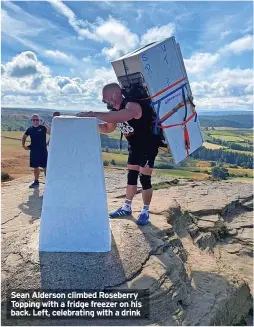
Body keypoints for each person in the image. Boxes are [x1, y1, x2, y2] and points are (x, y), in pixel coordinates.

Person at [77, 83, 161, 226]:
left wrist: (95, 114)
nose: (105, 103)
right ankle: (126, 207)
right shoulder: (115, 111)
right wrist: (87, 124)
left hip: (148, 146)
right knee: (131, 177)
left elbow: (123, 116)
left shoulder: (132, 106)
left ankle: (145, 211)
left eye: (105, 100)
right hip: (134, 147)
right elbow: (107, 128)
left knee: (145, 179)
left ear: (115, 95)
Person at [22, 114, 51, 189]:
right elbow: (24, 136)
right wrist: (23, 145)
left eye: (37, 120)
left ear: (39, 120)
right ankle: (36, 182)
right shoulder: (30, 129)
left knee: (45, 167)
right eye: (34, 120)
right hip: (34, 151)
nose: (35, 121)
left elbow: (51, 132)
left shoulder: (43, 127)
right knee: (35, 167)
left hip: (43, 151)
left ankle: (48, 183)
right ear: (31, 121)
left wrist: (48, 142)